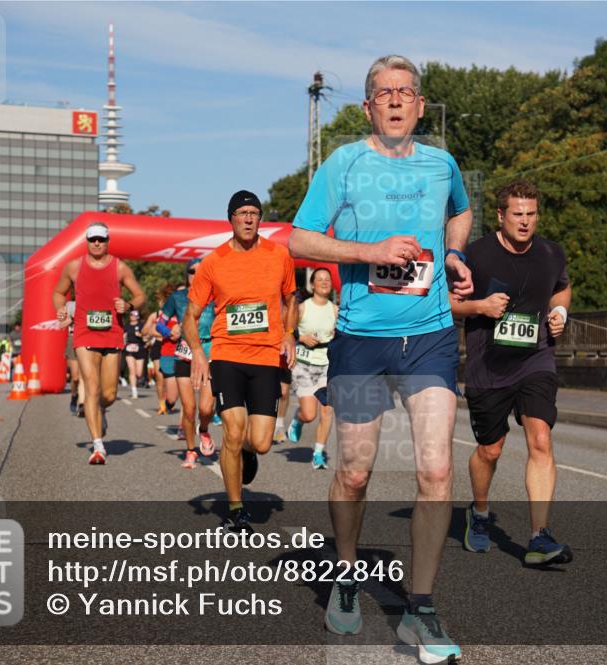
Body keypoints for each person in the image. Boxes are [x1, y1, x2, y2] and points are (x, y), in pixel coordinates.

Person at [289, 54, 472, 662]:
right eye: (383, 93)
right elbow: (299, 238)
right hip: (362, 341)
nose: (395, 100)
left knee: (437, 472)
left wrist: (452, 252)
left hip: (429, 336)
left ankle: (420, 608)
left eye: (406, 92)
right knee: (356, 470)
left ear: (420, 104)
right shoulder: (345, 162)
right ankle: (345, 573)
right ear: (368, 106)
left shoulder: (442, 162)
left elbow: (463, 209)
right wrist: (369, 252)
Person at [450, 179, 573, 570]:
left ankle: (539, 536)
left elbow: (562, 289)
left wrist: (560, 314)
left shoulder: (551, 254)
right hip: (488, 366)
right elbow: (449, 305)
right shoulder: (476, 255)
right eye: (517, 214)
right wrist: (480, 307)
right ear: (501, 216)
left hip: (536, 360)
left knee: (540, 437)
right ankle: (480, 512)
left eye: (531, 214)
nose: (525, 222)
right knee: (491, 449)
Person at [185, 190, 297, 532]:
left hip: (265, 358)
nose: (248, 219)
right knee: (233, 430)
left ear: (260, 218)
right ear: (231, 218)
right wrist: (199, 355)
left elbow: (291, 298)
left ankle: (245, 452)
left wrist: (289, 333)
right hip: (227, 357)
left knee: (260, 442)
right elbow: (191, 316)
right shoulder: (214, 261)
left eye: (254, 213)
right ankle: (235, 510)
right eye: (242, 213)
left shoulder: (279, 256)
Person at [53, 222, 145, 464]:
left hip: (112, 333)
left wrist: (129, 306)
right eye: (93, 239)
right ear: (87, 241)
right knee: (91, 388)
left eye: (101, 240)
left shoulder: (119, 268)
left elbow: (140, 295)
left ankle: (102, 410)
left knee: (109, 393)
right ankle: (97, 445)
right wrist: (61, 311)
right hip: (84, 333)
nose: (96, 243)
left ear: (107, 241)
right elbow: (58, 292)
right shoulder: (74, 267)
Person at [160, 262, 218, 468]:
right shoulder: (177, 297)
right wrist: (169, 331)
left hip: (208, 353)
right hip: (184, 353)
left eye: (201, 271)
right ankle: (191, 451)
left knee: (205, 408)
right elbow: (160, 322)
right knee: (189, 408)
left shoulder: (216, 294)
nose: (196, 275)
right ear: (187, 275)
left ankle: (203, 429)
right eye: (192, 271)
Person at [286, 268, 338, 471]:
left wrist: (337, 335)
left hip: (326, 365)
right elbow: (287, 331)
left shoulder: (335, 310)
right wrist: (300, 337)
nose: (324, 282)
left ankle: (318, 453)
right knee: (310, 414)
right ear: (312, 284)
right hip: (304, 365)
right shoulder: (302, 308)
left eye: (328, 279)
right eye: (320, 279)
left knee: (327, 410)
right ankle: (298, 420)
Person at [144, 285, 178, 416]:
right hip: (164, 350)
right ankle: (163, 404)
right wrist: (170, 333)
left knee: (179, 387)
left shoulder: (184, 311)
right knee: (159, 378)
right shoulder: (162, 314)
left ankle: (171, 402)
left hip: (182, 352)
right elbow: (151, 330)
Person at [60, 300, 85, 416]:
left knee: (84, 376)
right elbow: (61, 325)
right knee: (75, 377)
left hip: (88, 340)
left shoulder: (94, 301)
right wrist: (72, 319)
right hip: (73, 339)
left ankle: (82, 404)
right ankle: (74, 396)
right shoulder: (70, 305)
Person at [123, 310, 145, 399]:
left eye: (134, 315)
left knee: (139, 373)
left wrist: (140, 335)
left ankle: (139, 380)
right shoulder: (127, 326)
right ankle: (134, 391)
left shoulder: (142, 325)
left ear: (138, 317)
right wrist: (123, 345)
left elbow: (147, 335)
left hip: (140, 348)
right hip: (129, 349)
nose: (132, 316)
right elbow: (123, 336)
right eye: (131, 315)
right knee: (132, 370)